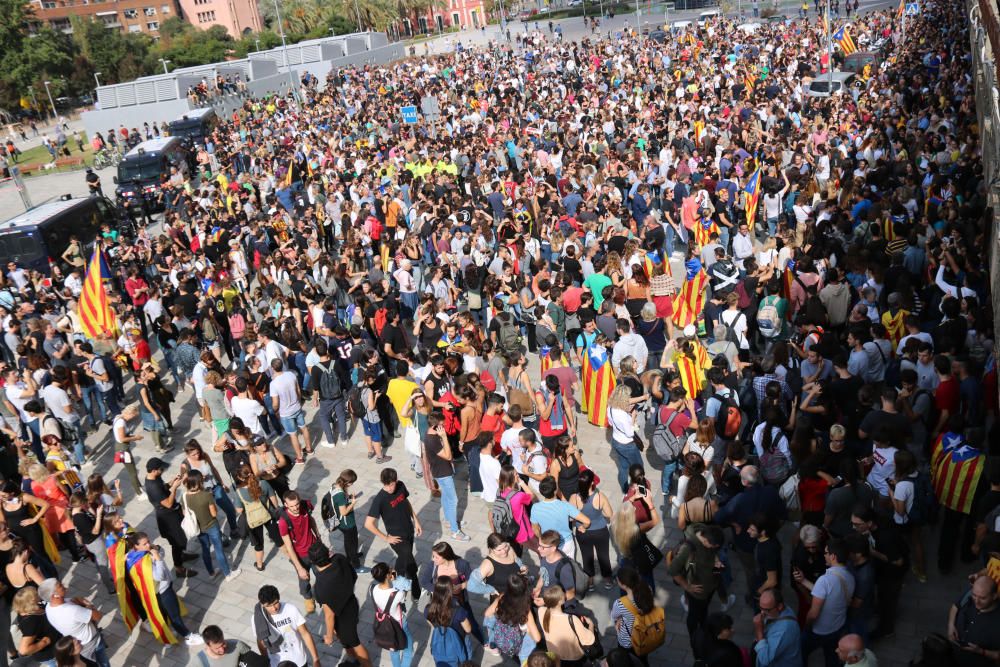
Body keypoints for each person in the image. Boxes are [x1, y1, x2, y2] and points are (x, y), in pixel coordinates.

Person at [124, 531, 204, 645]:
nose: (148, 545)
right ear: (136, 546)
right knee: (174, 615)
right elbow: (159, 576)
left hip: (155, 593)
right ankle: (188, 637)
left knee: (164, 615)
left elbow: (162, 552)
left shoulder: (134, 556)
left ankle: (168, 637)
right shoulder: (144, 561)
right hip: (163, 591)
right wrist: (158, 558)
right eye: (145, 544)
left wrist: (157, 550)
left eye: (148, 542)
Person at [667, 523, 725, 657]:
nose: (714, 548)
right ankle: (694, 638)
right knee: (694, 615)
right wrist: (687, 586)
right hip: (697, 592)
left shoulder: (707, 533)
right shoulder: (688, 548)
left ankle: (704, 626)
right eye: (713, 546)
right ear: (705, 541)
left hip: (709, 588)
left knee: (703, 611)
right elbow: (672, 570)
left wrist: (716, 561)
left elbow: (712, 552)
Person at [310, 542, 372, 667]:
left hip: (343, 617)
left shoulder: (321, 587)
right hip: (351, 603)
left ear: (313, 562)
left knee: (354, 642)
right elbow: (354, 577)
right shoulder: (339, 558)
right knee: (346, 640)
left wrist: (329, 636)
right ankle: (354, 661)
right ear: (328, 553)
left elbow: (329, 615)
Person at [365, 468, 424, 599]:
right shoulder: (379, 499)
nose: (390, 488)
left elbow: (406, 502)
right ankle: (410, 588)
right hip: (396, 538)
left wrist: (416, 520)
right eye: (387, 485)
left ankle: (397, 578)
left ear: (396, 481)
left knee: (405, 559)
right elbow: (368, 524)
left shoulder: (401, 486)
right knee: (409, 561)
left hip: (409, 530)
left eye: (392, 484)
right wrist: (386, 538)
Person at [801, 539, 856, 667]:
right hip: (838, 627)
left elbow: (813, 614)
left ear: (833, 556)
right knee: (831, 657)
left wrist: (807, 625)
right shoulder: (850, 577)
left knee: (801, 651)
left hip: (819, 630)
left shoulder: (824, 580)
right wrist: (804, 581)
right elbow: (830, 594)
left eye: (826, 553)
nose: (824, 555)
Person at [143, 457, 198, 578]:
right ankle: (179, 568)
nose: (162, 470)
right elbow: (167, 503)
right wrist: (174, 488)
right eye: (161, 469)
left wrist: (171, 482)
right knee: (176, 542)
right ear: (154, 470)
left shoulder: (154, 478)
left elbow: (163, 488)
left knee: (180, 538)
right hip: (168, 518)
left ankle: (181, 555)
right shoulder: (153, 487)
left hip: (171, 514)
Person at [183, 469, 240, 582]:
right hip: (211, 525)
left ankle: (211, 573)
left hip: (199, 528)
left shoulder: (184, 496)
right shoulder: (206, 495)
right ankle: (227, 574)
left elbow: (185, 513)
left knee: (205, 549)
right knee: (218, 549)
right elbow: (214, 513)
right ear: (199, 481)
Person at [39, 579, 110, 667]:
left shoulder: (49, 607)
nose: (64, 585)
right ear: (54, 595)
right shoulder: (72, 610)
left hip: (80, 644)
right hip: (91, 644)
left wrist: (81, 604)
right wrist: (89, 606)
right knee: (103, 664)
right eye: (60, 586)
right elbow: (98, 615)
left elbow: (75, 599)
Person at [251, 585, 321, 667]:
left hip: (298, 661)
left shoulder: (291, 609)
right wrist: (266, 661)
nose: (274, 608)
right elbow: (260, 641)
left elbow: (305, 634)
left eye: (275, 603)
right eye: (269, 606)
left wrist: (316, 659)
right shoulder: (257, 619)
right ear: (262, 604)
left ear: (279, 598)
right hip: (276, 662)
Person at [276, 490, 320, 614]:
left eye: (297, 504)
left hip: (314, 549)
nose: (296, 508)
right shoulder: (284, 522)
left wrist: (318, 536)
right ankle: (308, 598)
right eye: (292, 506)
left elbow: (311, 520)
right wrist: (299, 567)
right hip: (301, 555)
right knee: (304, 579)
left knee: (321, 575)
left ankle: (321, 594)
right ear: (285, 505)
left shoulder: (305, 506)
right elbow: (289, 547)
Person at [948, 575, 1000, 666]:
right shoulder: (971, 593)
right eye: (974, 595)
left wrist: (981, 651)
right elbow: (955, 607)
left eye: (982, 598)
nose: (976, 601)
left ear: (994, 596)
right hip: (952, 657)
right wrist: (951, 625)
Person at [370, 562, 415, 667]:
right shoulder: (397, 594)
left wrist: (390, 578)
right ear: (387, 575)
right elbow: (408, 587)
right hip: (399, 623)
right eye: (390, 570)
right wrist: (397, 578)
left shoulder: (372, 589)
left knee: (393, 648)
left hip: (384, 624)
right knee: (408, 648)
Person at [753, 589, 802, 667]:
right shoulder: (779, 610)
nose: (762, 613)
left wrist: (759, 631)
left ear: (779, 606)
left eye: (767, 610)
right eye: (760, 607)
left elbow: (765, 660)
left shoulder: (783, 630)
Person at [188, 625, 264, 666]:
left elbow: (254, 660)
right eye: (217, 648)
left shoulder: (237, 645)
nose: (222, 650)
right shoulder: (200, 661)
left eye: (223, 644)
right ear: (208, 646)